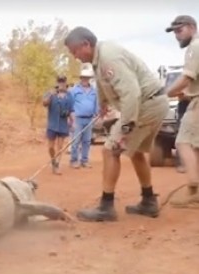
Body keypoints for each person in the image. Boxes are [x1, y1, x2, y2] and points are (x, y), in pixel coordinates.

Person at [64, 26, 169, 222]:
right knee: (136, 152)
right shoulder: (99, 58)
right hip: (154, 103)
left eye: (75, 50)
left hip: (145, 104)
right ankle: (148, 201)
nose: (74, 55)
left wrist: (126, 126)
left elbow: (132, 93)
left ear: (86, 44)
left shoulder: (109, 58)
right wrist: (103, 103)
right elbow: (104, 84)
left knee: (110, 149)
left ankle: (106, 206)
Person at [164, 15, 199, 208]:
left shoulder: (194, 47)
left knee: (183, 141)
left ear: (192, 27)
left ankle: (194, 188)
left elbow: (186, 78)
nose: (177, 35)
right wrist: (185, 94)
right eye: (175, 32)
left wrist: (166, 93)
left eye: (180, 30)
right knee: (196, 146)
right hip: (194, 99)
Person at [42, 75, 75, 175]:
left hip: (63, 124)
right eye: (59, 81)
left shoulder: (69, 95)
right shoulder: (51, 93)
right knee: (51, 147)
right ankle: (53, 160)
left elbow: (71, 110)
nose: (61, 83)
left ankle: (57, 165)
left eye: (63, 81)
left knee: (60, 147)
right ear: (57, 82)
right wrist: (50, 96)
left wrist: (72, 121)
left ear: (65, 82)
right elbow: (44, 103)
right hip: (52, 124)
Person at [69, 64, 98, 168]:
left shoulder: (94, 91)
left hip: (89, 119)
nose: (85, 79)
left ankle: (84, 160)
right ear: (81, 78)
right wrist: (71, 118)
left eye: (87, 78)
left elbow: (96, 103)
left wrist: (96, 114)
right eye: (84, 78)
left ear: (89, 79)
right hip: (77, 118)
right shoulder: (74, 90)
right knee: (76, 140)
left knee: (87, 141)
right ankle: (73, 160)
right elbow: (70, 104)